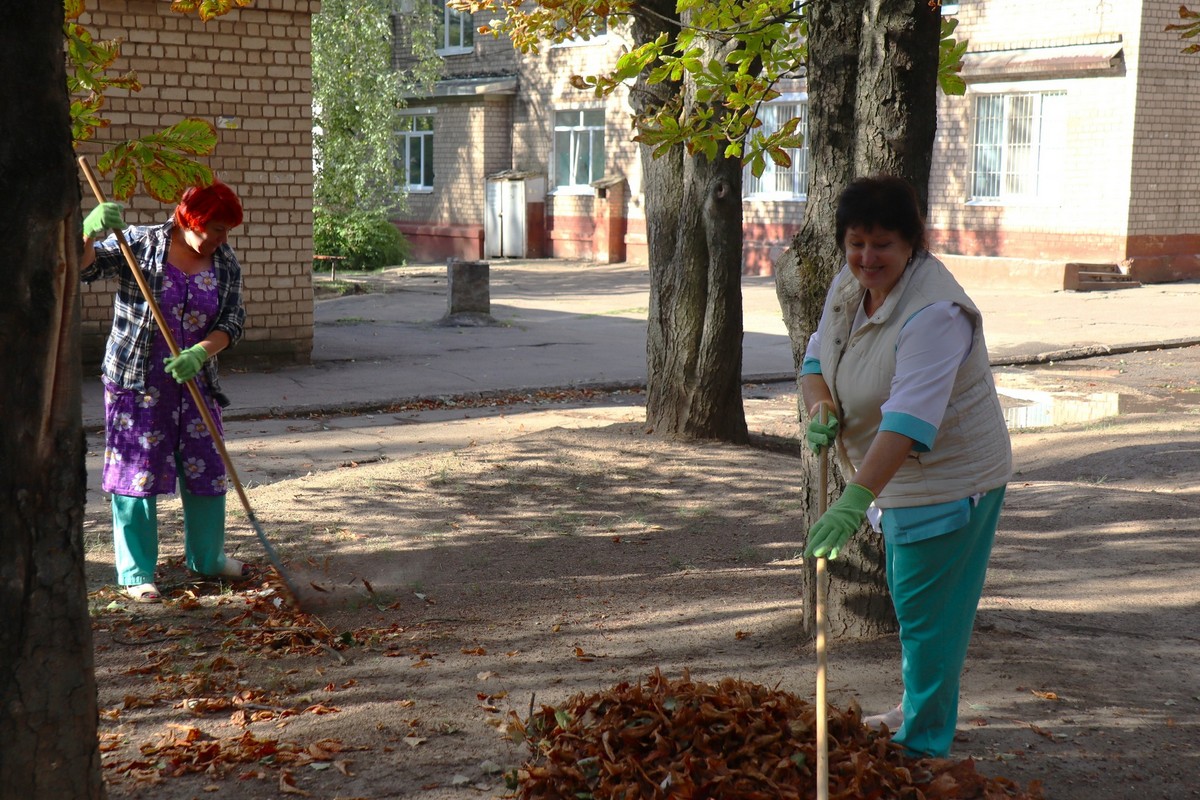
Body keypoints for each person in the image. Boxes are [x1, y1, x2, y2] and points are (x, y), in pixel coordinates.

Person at [800, 175, 1012, 758]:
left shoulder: (936, 313)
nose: (867, 258)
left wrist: (851, 500)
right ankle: (917, 706)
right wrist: (822, 403)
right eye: (856, 243)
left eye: (883, 246)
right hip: (895, 481)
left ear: (912, 242)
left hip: (948, 479)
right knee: (912, 599)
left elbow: (909, 422)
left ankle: (923, 744)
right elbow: (817, 356)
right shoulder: (850, 284)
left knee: (928, 616)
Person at [81, 180, 254, 603]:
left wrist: (200, 352)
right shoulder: (139, 244)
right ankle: (137, 573)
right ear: (189, 220)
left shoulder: (224, 261)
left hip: (195, 382)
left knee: (206, 468)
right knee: (136, 474)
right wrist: (87, 232)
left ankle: (208, 559)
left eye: (227, 230)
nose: (222, 238)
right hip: (137, 385)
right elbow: (85, 268)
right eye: (215, 228)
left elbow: (232, 321)